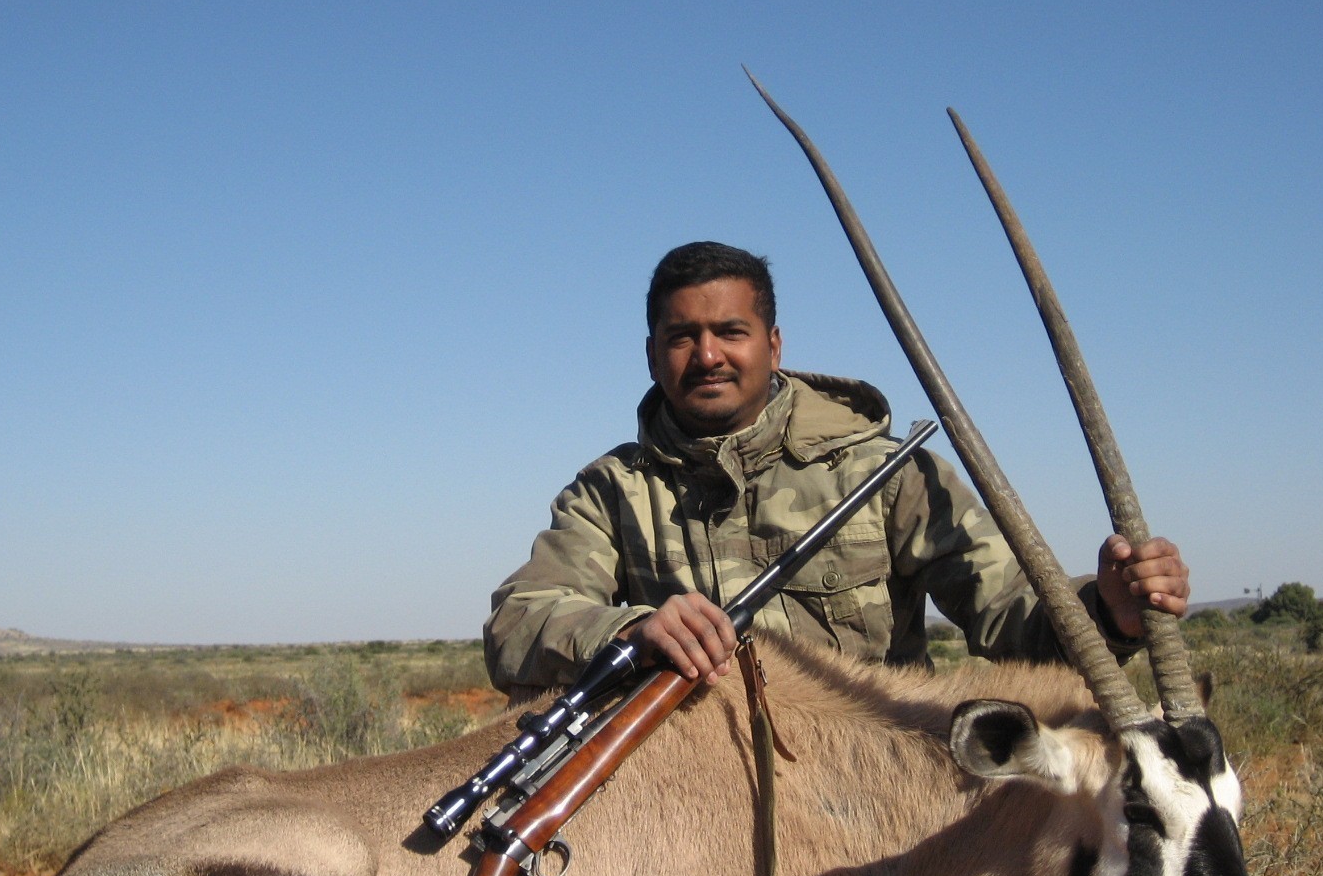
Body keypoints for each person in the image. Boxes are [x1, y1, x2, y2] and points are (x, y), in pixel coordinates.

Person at [484, 241, 1190, 697]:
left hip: (878, 796)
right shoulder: (610, 494)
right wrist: (629, 632)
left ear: (774, 344)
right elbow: (518, 625)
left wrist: (1110, 612)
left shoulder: (886, 471)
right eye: (682, 338)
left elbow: (1013, 622)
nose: (707, 356)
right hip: (696, 808)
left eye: (730, 332)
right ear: (651, 354)